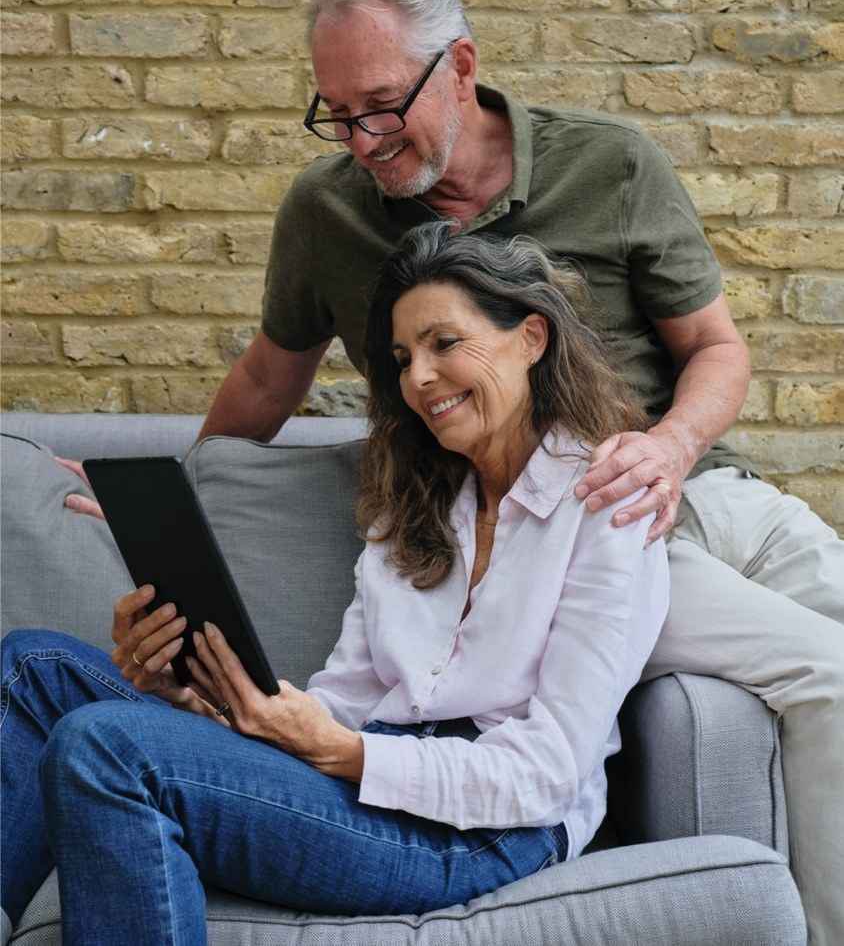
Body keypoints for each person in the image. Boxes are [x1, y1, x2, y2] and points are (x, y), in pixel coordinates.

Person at [57, 0, 843, 944]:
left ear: (460, 67)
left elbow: (717, 348)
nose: (363, 137)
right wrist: (167, 505)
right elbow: (269, 375)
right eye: (337, 114)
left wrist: (672, 450)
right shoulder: (343, 256)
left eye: (381, 104)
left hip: (668, 484)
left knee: (834, 667)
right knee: (43, 672)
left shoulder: (611, 163)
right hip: (589, 515)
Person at [2, 225, 669, 942]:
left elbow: (550, 770)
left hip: (487, 825)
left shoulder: (608, 504)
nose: (418, 378)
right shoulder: (415, 501)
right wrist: (191, 702)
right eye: (403, 357)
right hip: (360, 776)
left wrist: (344, 753)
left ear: (531, 337)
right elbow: (341, 703)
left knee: (104, 747)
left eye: (445, 343)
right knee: (33, 667)